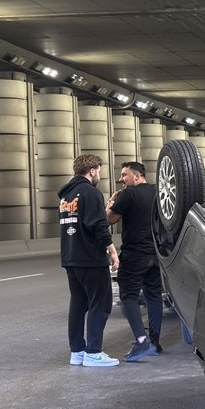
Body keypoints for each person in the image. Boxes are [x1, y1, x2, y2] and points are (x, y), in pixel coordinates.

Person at [59, 154, 120, 367]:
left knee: (78, 303)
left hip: (70, 256)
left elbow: (85, 219)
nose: (100, 175)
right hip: (90, 257)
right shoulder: (91, 192)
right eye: (99, 171)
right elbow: (98, 225)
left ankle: (77, 351)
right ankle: (93, 352)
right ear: (92, 170)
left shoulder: (66, 196)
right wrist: (112, 250)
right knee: (100, 304)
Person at [106, 161, 164, 361]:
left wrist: (111, 202)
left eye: (124, 175)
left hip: (134, 255)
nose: (121, 179)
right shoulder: (158, 191)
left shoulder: (129, 194)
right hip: (156, 254)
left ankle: (142, 342)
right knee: (154, 296)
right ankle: (155, 342)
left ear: (137, 176)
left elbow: (108, 219)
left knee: (129, 297)